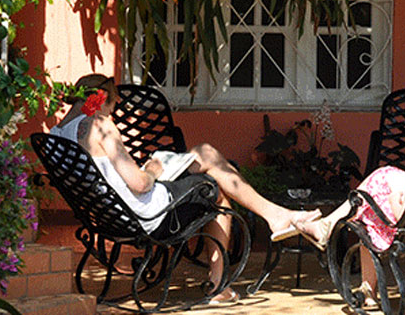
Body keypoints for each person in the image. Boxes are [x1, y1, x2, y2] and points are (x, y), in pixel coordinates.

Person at [49, 74, 319, 304]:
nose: (112, 113)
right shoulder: (99, 125)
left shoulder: (55, 134)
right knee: (213, 179)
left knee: (205, 159)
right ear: (101, 98)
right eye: (112, 106)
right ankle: (225, 275)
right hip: (148, 215)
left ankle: (271, 222)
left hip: (110, 216)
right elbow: (140, 184)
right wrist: (153, 168)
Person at [296, 89, 405, 302]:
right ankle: (327, 228)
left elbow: (404, 217)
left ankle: (332, 234)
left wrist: (393, 200)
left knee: (367, 211)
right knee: (384, 175)